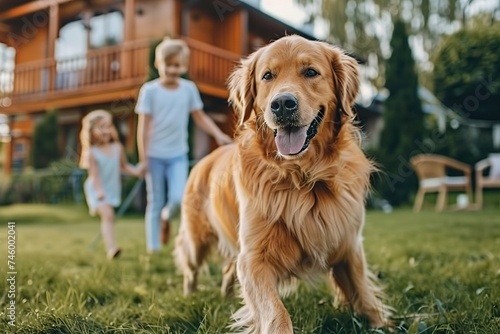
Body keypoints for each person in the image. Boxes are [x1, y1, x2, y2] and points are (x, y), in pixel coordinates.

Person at [136, 37, 232, 254]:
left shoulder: (188, 89)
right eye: (167, 65)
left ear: (184, 66)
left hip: (178, 154)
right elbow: (143, 127)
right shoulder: (149, 91)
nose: (172, 70)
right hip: (154, 155)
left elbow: (200, 117)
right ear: (157, 64)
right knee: (155, 200)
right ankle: (153, 248)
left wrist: (218, 134)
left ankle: (166, 217)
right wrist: (143, 159)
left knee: (179, 199)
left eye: (177, 65)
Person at [80, 109, 143, 259]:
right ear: (92, 131)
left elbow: (124, 166)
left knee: (109, 217)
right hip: (97, 189)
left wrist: (138, 172)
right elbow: (94, 176)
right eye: (101, 127)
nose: (106, 130)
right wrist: (100, 193)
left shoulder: (117, 148)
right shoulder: (92, 153)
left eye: (108, 126)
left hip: (112, 188)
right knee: (108, 215)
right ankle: (112, 249)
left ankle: (110, 246)